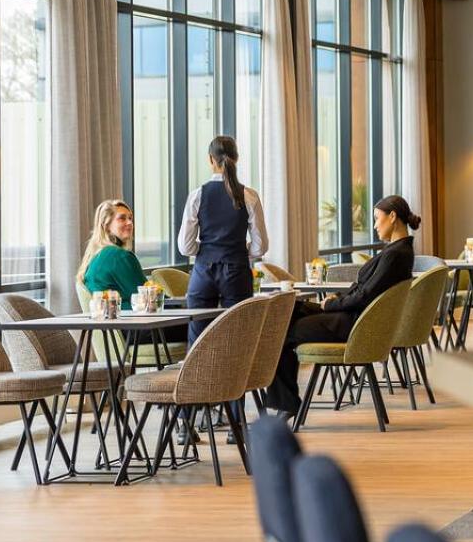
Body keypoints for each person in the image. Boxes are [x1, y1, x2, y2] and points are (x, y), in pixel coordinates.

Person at [263, 194, 420, 414]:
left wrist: (332, 305)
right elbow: (366, 290)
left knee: (282, 331)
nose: (375, 225)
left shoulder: (396, 254)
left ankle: (287, 405)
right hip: (352, 316)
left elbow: (365, 295)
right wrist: (336, 298)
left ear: (392, 217)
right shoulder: (398, 251)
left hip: (353, 323)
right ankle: (283, 402)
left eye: (377, 218)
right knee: (291, 311)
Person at [178, 135, 269, 344]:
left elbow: (185, 247)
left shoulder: (197, 195)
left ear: (211, 159)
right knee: (238, 337)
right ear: (236, 158)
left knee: (198, 338)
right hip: (236, 271)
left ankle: (198, 366)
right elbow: (260, 247)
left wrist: (206, 248)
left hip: (203, 271)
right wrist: (238, 249)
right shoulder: (249, 195)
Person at [77, 199, 147, 305]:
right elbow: (149, 297)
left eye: (130, 218)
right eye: (122, 218)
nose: (130, 223)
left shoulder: (98, 255)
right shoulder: (119, 256)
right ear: (106, 226)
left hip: (106, 313)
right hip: (126, 314)